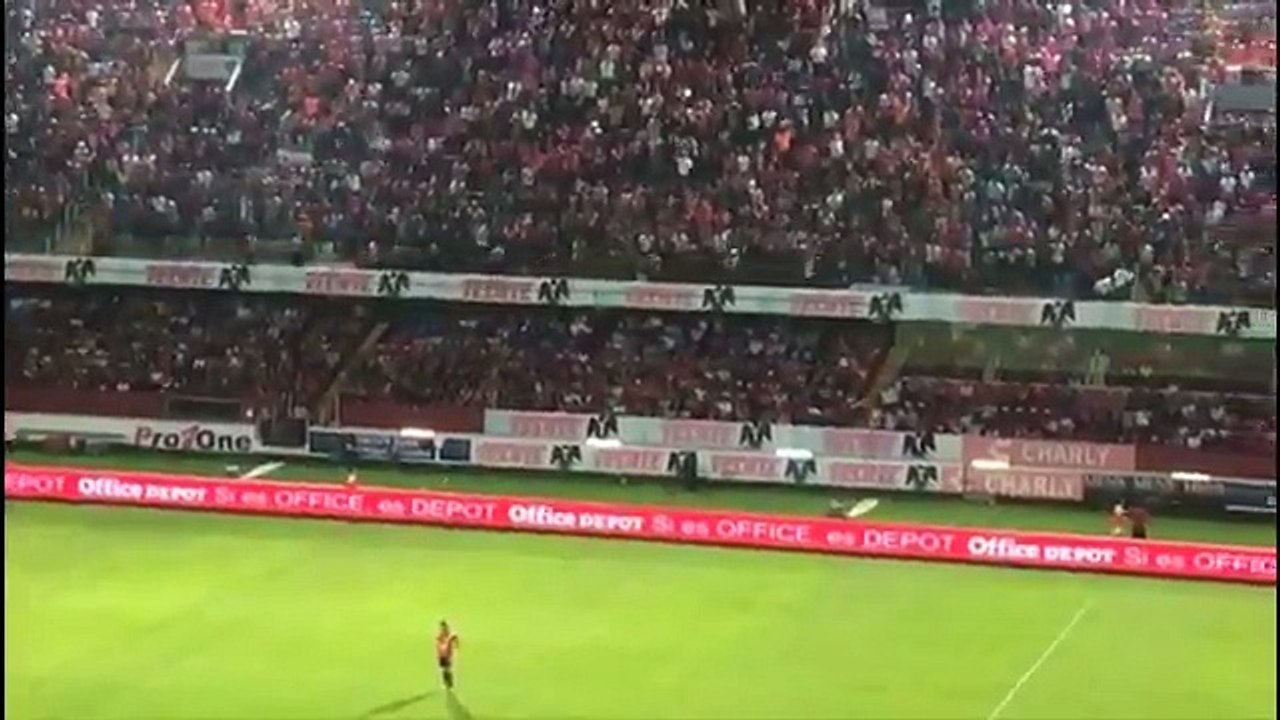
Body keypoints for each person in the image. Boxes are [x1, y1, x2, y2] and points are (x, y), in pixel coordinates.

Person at [437, 620, 460, 690]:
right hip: (441, 655)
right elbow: (438, 644)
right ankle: (445, 683)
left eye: (443, 628)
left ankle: (450, 683)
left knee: (448, 669)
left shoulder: (450, 635)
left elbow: (455, 638)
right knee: (443, 670)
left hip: (448, 655)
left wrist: (456, 645)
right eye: (441, 628)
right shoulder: (440, 635)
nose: (442, 629)